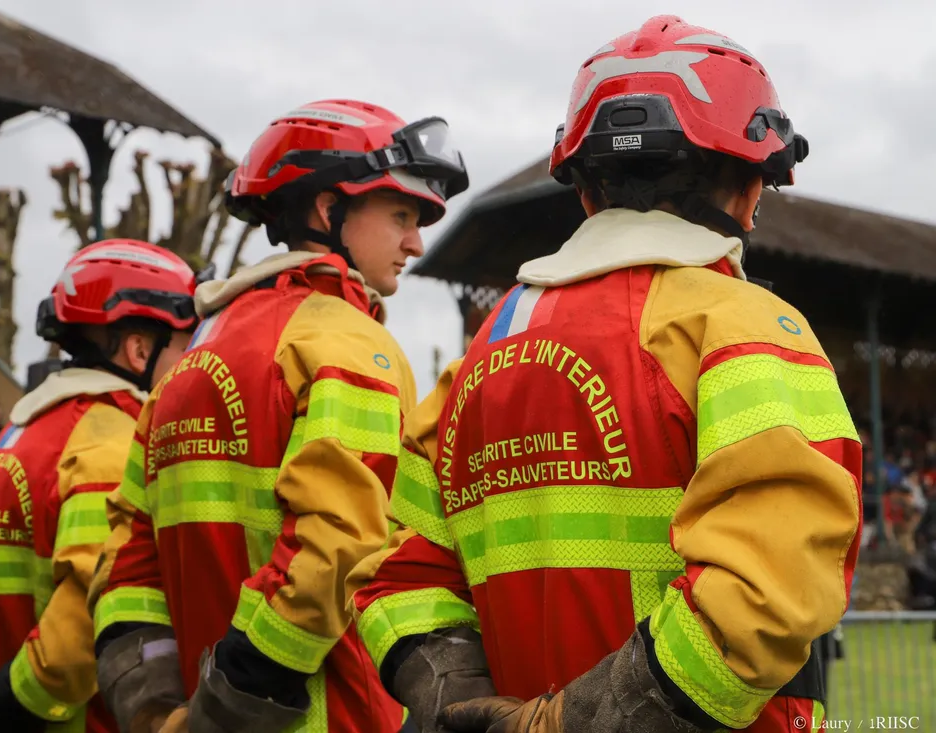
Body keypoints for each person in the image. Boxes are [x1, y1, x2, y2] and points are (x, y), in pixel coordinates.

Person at [347, 16, 862, 733]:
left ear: (586, 192)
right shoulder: (748, 328)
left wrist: (466, 707)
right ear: (748, 187)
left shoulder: (478, 359)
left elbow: (396, 572)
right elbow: (768, 590)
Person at [87, 99, 469, 733]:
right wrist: (227, 711)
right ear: (329, 209)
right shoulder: (348, 342)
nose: (416, 242)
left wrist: (159, 712)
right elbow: (336, 548)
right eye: (401, 214)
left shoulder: (188, 362)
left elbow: (126, 561)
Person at [0, 239, 200, 733]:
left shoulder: (14, 440)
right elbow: (86, 624)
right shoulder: (114, 443)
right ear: (138, 350)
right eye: (185, 343)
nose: (195, 360)